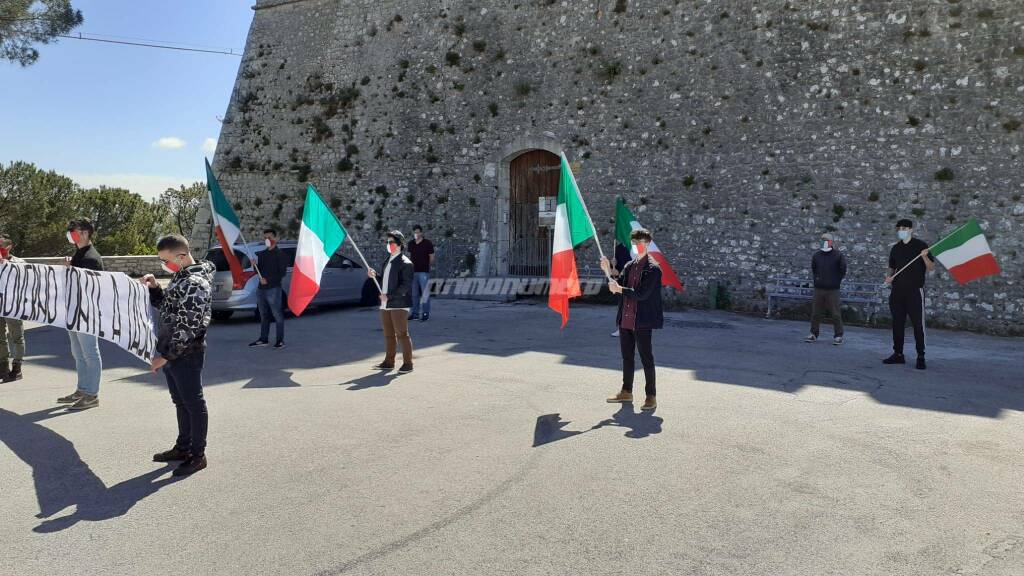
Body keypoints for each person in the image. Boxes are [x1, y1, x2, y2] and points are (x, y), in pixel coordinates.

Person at [140, 234, 215, 477]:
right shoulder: (182, 276)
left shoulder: (195, 282)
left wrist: (166, 356)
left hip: (186, 354)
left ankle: (198, 455)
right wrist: (155, 289)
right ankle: (183, 448)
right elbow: (170, 309)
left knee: (193, 403)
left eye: (167, 260)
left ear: (181, 256)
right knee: (181, 402)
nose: (165, 265)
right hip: (173, 352)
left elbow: (188, 327)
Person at [600, 228, 663, 411]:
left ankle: (651, 396)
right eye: (634, 242)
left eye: (641, 242)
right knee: (627, 357)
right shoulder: (629, 265)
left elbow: (642, 294)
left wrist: (619, 289)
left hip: (642, 320)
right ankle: (626, 391)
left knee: (646, 359)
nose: (637, 245)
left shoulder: (653, 269)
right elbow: (619, 284)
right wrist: (608, 269)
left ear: (648, 244)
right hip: (626, 319)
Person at [58, 219, 104, 411]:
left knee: (90, 353)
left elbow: (90, 289)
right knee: (78, 354)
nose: (70, 234)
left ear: (85, 233)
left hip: (86, 313)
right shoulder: (80, 254)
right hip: (74, 312)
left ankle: (91, 394)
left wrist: (70, 271)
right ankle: (82, 389)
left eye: (73, 231)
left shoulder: (91, 258)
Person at [884, 219, 933, 370]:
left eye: (904, 228)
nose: (901, 230)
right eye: (899, 228)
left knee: (918, 325)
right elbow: (892, 268)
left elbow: (930, 267)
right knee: (897, 323)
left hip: (914, 292)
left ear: (911, 229)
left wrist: (924, 256)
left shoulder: (921, 246)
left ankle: (921, 356)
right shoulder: (896, 248)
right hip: (897, 291)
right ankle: (898, 354)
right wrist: (889, 277)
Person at [368, 230, 414, 373]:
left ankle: (408, 364)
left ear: (400, 244)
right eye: (387, 242)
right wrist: (375, 275)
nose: (388, 245)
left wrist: (389, 296)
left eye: (391, 242)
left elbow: (405, 286)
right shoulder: (388, 260)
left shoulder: (406, 263)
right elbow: (385, 281)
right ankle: (389, 362)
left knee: (402, 334)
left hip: (399, 304)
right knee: (388, 334)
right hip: (386, 303)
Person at [805, 233, 847, 345]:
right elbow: (814, 269)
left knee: (836, 314)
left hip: (833, 290)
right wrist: (818, 280)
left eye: (826, 240)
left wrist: (835, 281)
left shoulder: (838, 255)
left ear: (832, 242)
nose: (824, 241)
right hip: (819, 289)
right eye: (822, 239)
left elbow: (843, 270)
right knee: (815, 313)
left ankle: (838, 336)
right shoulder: (816, 255)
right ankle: (813, 334)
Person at [249, 228, 288, 349]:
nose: (267, 240)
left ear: (276, 238)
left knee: (277, 314)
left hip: (274, 288)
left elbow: (282, 273)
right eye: (265, 238)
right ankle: (263, 339)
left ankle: (280, 340)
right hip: (261, 289)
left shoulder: (280, 254)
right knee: (263, 314)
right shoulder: (263, 254)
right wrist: (254, 265)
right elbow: (259, 271)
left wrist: (268, 280)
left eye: (270, 237)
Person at [0, 233, 26, 382]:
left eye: (1, 245)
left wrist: (5, 265)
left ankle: (17, 368)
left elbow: (23, 283)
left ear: (9, 246)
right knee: (0, 338)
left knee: (16, 336)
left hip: (13, 306)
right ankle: (3, 367)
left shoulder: (19, 262)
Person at [408, 225, 435, 322]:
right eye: (415, 232)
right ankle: (415, 314)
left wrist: (427, 267)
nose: (417, 234)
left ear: (421, 233)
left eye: (418, 232)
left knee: (425, 294)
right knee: (414, 294)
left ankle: (425, 313)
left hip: (423, 272)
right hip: (413, 272)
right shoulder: (411, 244)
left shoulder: (427, 243)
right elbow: (410, 256)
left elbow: (431, 257)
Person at [610, 242, 632, 338]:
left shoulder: (633, 247)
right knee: (622, 306)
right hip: (620, 282)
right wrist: (612, 264)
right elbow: (614, 270)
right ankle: (621, 329)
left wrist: (620, 272)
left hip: (632, 281)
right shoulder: (618, 248)